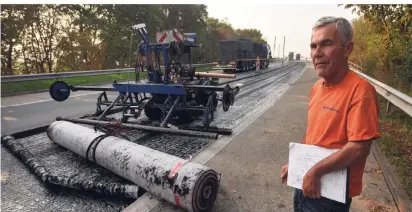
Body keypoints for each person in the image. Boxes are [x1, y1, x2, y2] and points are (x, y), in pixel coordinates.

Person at [280, 16, 381, 212]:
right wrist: (296, 165)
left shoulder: (361, 91)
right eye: (313, 46)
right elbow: (313, 134)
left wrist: (315, 171)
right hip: (306, 183)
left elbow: (359, 147)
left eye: (326, 44)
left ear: (347, 49)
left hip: (330, 197)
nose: (317, 53)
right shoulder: (317, 87)